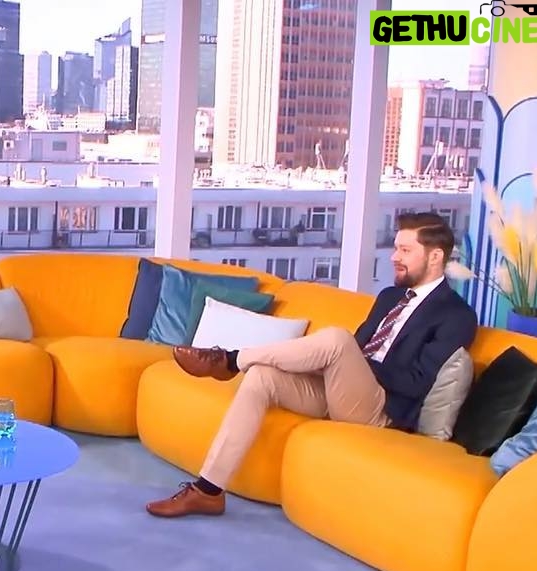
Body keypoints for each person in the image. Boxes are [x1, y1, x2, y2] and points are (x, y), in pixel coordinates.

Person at [147, 211, 478, 518]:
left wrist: (355, 364)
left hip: (382, 412)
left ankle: (231, 359)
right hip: (343, 394)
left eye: (405, 250)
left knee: (336, 339)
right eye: (395, 248)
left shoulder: (456, 315)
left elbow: (417, 382)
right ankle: (208, 490)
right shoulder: (390, 297)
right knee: (261, 376)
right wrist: (335, 366)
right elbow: (359, 348)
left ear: (435, 256)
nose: (394, 257)